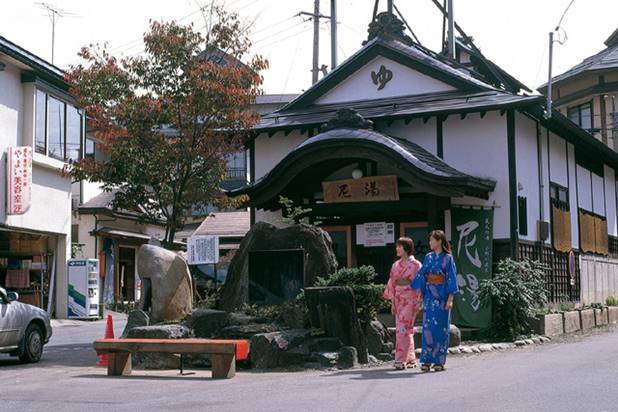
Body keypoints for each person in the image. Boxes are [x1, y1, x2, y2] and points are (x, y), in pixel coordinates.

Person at [411, 230, 458, 372]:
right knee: (428, 329)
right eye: (430, 240)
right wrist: (420, 297)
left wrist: (450, 299)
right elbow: (422, 276)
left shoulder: (448, 259)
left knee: (441, 329)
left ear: (439, 241)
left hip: (442, 297)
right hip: (430, 297)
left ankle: (439, 361)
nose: (430, 243)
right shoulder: (428, 257)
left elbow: (451, 279)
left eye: (432, 240)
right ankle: (426, 360)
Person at [383, 237, 422, 370]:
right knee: (406, 329)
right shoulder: (395, 265)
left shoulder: (416, 265)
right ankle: (410, 359)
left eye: (400, 246)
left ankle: (400, 359)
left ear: (407, 248)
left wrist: (419, 301)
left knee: (402, 329)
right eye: (397, 246)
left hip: (411, 298)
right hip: (399, 298)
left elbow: (420, 284)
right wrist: (393, 302)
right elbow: (392, 284)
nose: (397, 249)